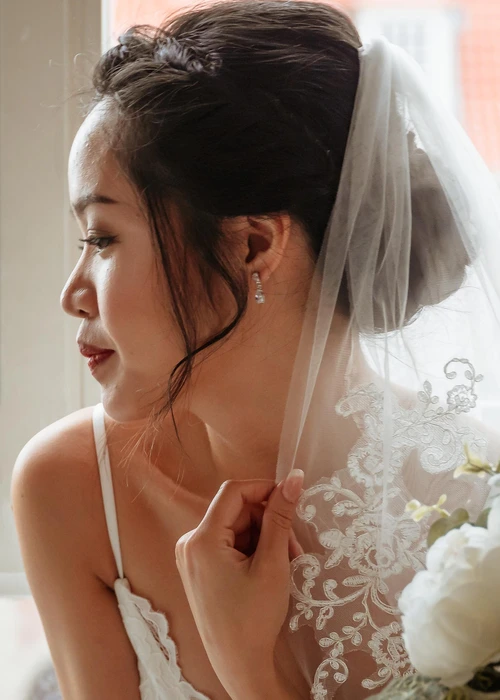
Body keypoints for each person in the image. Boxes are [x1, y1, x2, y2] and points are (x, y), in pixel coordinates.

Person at [11, 1, 500, 698]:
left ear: (252, 245)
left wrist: (250, 668)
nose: (73, 293)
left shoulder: (483, 513)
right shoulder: (71, 491)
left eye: (103, 239)